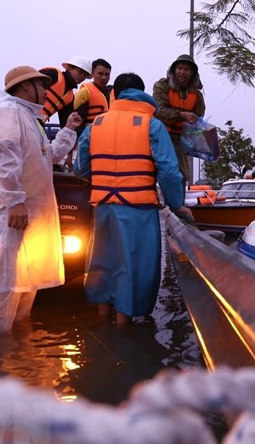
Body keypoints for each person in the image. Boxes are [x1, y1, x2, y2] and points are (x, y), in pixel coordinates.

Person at [76, 72, 193, 325]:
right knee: (134, 267)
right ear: (142, 93)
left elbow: (81, 168)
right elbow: (170, 172)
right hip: (139, 210)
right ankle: (124, 330)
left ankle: (103, 322)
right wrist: (177, 204)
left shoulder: (95, 125)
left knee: (104, 264)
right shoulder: (152, 125)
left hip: (105, 208)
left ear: (114, 94)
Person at [0, 66, 83, 335]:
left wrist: (68, 130)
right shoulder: (8, 111)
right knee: (4, 278)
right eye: (42, 86)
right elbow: (3, 157)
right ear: (25, 87)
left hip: (29, 211)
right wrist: (14, 201)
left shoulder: (30, 119)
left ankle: (17, 340)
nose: (46, 93)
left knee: (25, 277)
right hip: (13, 212)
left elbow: (49, 156)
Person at [152, 54, 206, 184]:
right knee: (160, 171)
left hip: (182, 138)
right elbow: (159, 111)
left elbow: (199, 115)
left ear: (192, 73)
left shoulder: (196, 94)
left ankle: (177, 203)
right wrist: (182, 115)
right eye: (179, 68)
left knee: (182, 174)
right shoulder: (162, 86)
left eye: (186, 69)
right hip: (161, 135)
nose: (182, 72)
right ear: (174, 70)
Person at [39, 55, 91, 126]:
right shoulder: (54, 74)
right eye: (80, 72)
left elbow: (65, 124)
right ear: (69, 68)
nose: (82, 77)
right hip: (22, 114)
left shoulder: (70, 98)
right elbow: (29, 85)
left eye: (85, 75)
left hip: (37, 124)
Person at [73, 58, 113, 131]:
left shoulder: (114, 92)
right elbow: (76, 118)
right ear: (92, 73)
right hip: (90, 136)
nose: (104, 77)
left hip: (111, 134)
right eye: (100, 74)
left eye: (107, 74)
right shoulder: (85, 92)